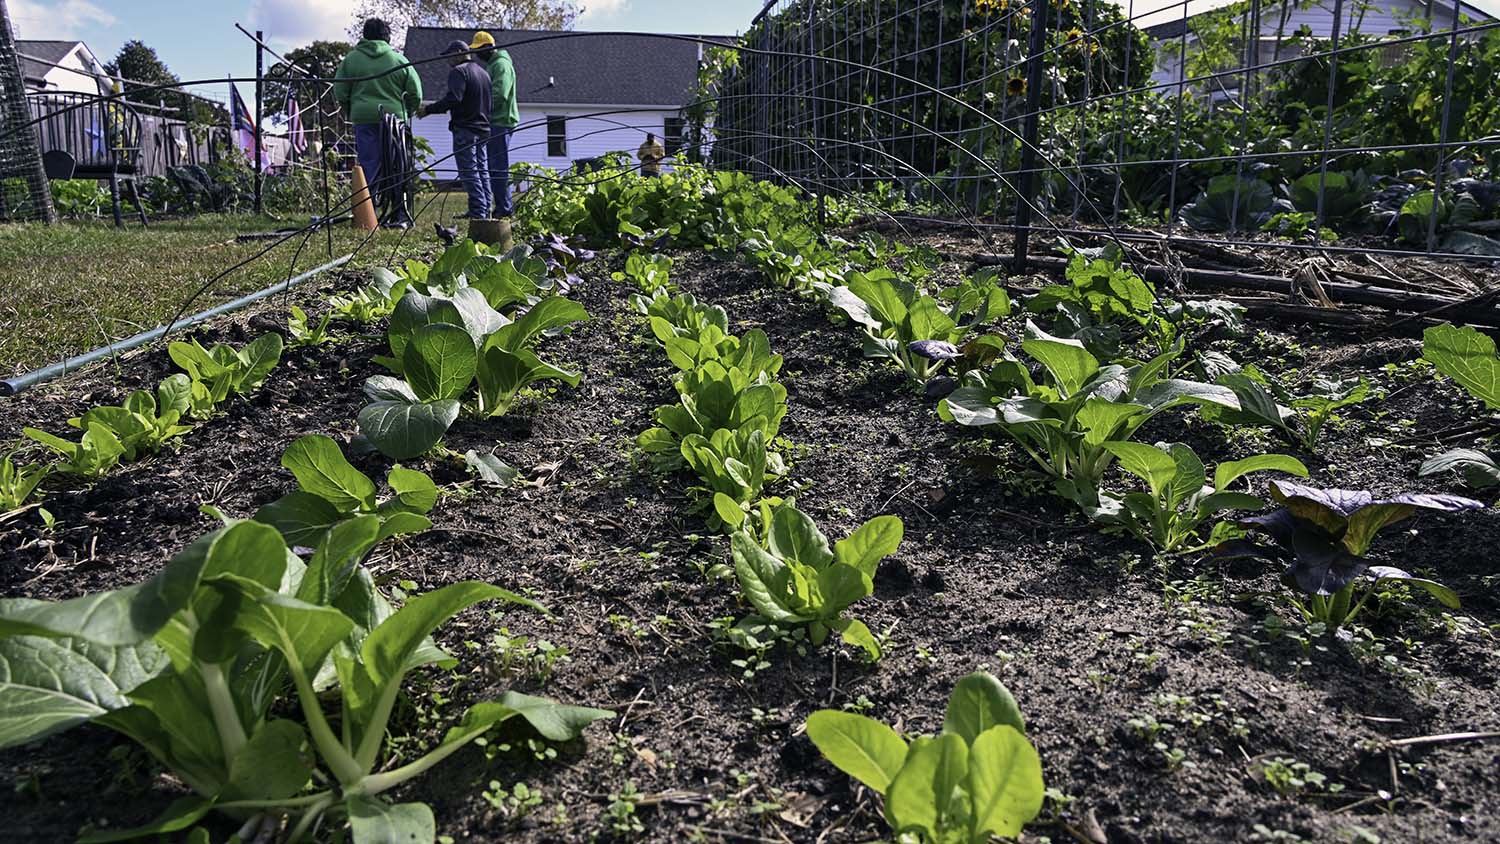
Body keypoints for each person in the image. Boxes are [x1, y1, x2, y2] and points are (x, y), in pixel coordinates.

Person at [333, 18, 422, 227]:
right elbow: (416, 93)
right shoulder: (399, 60)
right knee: (397, 166)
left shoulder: (351, 60)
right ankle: (400, 213)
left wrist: (351, 111)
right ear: (387, 36)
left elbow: (340, 91)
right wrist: (407, 112)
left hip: (364, 118)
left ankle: (367, 214)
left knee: (369, 166)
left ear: (364, 35)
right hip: (394, 120)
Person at [420, 40, 493, 219]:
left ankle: (478, 211)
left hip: (466, 128)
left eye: (450, 56)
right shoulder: (484, 73)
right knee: (482, 169)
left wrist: (427, 110)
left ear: (461, 52)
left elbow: (454, 99)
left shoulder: (458, 72)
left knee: (469, 170)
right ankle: (485, 208)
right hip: (483, 128)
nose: (448, 61)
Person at [469, 31, 519, 218]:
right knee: (493, 166)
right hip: (494, 121)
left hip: (501, 121)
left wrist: (481, 109)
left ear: (488, 48)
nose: (476, 55)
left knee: (498, 167)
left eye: (478, 50)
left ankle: (504, 209)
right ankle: (499, 206)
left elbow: (500, 94)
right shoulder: (493, 65)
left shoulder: (501, 65)